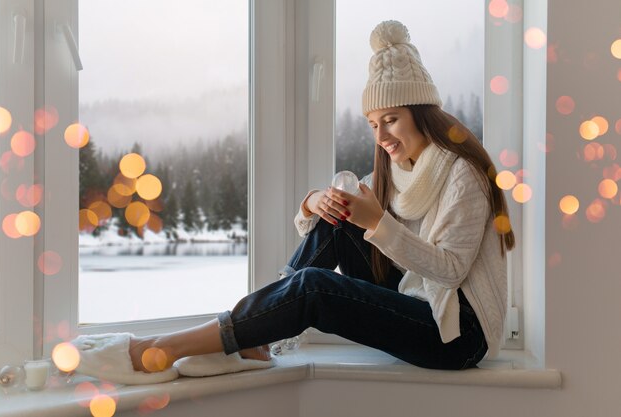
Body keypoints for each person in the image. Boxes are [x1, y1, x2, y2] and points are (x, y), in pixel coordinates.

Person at [129, 20, 514, 371]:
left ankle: (168, 347)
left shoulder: (463, 173)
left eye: (391, 119)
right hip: (417, 301)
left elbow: (451, 270)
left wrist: (378, 224)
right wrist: (314, 201)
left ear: (422, 112)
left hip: (458, 333)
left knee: (314, 287)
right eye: (373, 124)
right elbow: (334, 220)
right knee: (339, 215)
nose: (381, 137)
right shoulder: (396, 171)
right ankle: (253, 334)